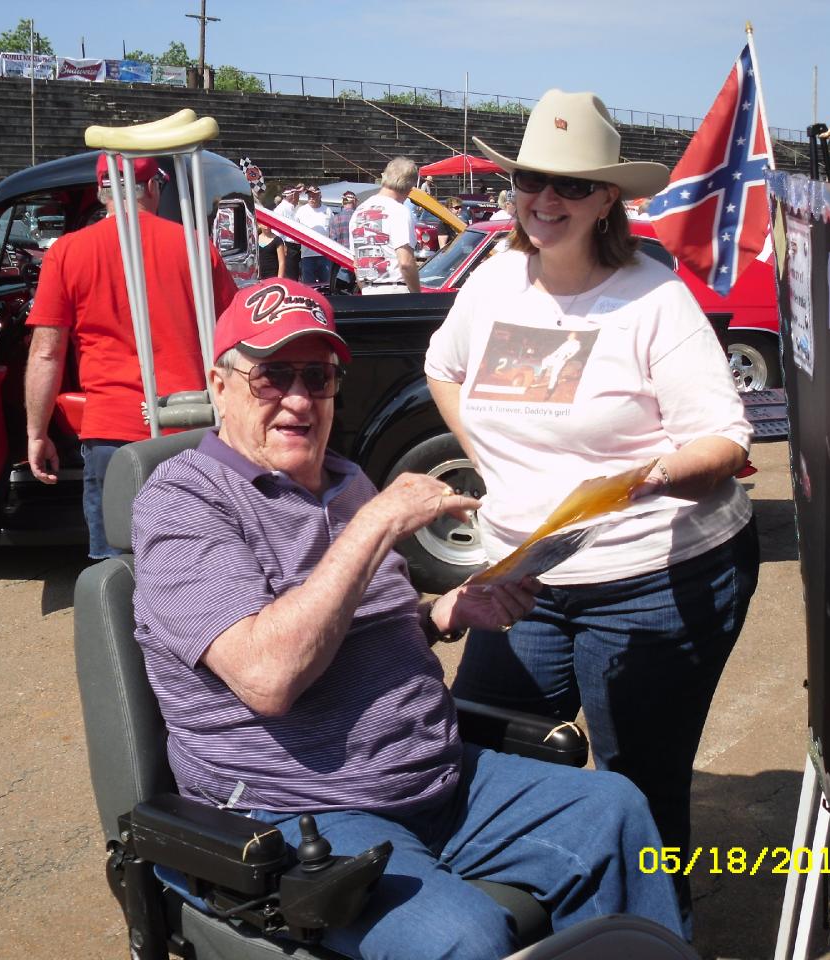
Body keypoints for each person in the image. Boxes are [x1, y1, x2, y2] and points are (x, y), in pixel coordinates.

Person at [132, 278, 682, 960]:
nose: (299, 399)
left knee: (615, 812)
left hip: (435, 780)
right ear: (220, 386)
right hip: (300, 807)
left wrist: (442, 613)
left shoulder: (344, 480)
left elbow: (351, 629)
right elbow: (267, 674)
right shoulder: (185, 503)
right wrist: (378, 522)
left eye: (317, 377)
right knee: (463, 937)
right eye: (272, 376)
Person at [424, 89, 760, 936]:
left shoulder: (653, 299)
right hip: (525, 574)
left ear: (608, 197)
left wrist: (647, 478)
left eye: (572, 185)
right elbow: (443, 367)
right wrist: (491, 458)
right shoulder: (492, 281)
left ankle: (658, 938)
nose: (546, 199)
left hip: (654, 576)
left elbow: (724, 442)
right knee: (480, 750)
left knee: (638, 787)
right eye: (532, 179)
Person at [24, 154, 237, 559]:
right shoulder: (195, 246)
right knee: (194, 560)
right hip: (188, 425)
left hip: (111, 432)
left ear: (100, 192)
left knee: (119, 565)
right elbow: (229, 339)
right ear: (153, 187)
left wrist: (37, 433)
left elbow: (46, 353)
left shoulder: (66, 252)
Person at [349, 157, 421, 294]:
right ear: (409, 186)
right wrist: (418, 296)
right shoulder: (399, 211)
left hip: (367, 289)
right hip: (395, 290)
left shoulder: (359, 211)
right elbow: (405, 263)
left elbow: (357, 264)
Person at [294, 185, 333, 286]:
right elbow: (295, 231)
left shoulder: (328, 210)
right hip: (307, 255)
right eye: (309, 196)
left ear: (320, 196)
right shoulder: (301, 211)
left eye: (314, 195)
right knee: (308, 287)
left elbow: (332, 232)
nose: (311, 198)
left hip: (325, 255)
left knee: (326, 286)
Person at [273, 187, 302, 281]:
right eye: (298, 194)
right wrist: (283, 246)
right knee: (290, 277)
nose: (299, 197)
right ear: (293, 195)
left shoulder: (291, 209)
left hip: (294, 248)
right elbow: (276, 231)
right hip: (287, 248)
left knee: (294, 276)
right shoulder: (281, 209)